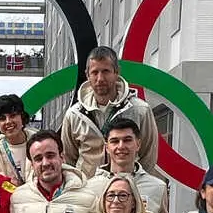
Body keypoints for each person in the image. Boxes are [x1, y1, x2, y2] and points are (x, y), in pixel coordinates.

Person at [59, 46, 159, 178]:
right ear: (87, 75)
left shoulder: (140, 110)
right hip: (88, 190)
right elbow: (69, 158)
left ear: (116, 72)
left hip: (126, 191)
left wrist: (134, 184)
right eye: (95, 72)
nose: (100, 78)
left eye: (106, 71)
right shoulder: (73, 115)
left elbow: (148, 155)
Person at [87, 117, 169, 213]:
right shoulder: (89, 187)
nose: (121, 146)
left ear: (138, 144)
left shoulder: (157, 187)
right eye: (115, 141)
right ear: (107, 147)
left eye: (127, 140)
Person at [0, 93, 35, 186]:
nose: (8, 121)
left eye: (13, 115)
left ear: (22, 117)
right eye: (2, 118)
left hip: (35, 199)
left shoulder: (39, 143)